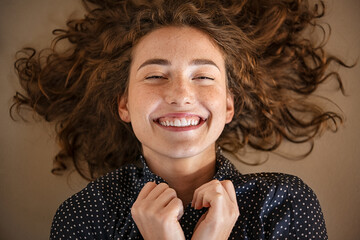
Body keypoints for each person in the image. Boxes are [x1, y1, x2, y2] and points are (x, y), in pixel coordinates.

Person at [11, 0, 349, 239]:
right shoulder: (83, 216)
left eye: (203, 77)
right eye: (156, 76)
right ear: (124, 104)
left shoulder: (285, 204)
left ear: (228, 105)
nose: (181, 95)